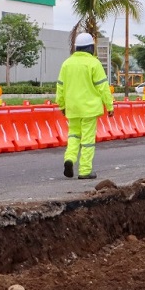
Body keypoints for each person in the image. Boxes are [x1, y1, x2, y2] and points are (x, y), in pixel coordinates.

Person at [57, 32, 114, 180]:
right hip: (89, 109)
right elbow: (102, 87)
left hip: (72, 108)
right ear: (90, 48)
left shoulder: (66, 64)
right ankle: (85, 170)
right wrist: (110, 106)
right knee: (87, 140)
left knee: (74, 136)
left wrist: (62, 105)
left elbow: (60, 87)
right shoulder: (94, 63)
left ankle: (69, 159)